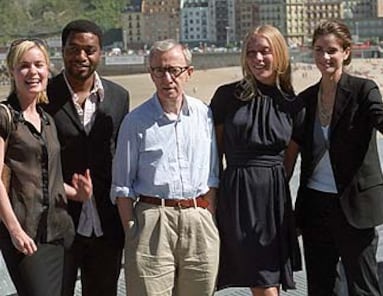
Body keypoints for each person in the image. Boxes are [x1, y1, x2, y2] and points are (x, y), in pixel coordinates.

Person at [291, 20, 383, 295]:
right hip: (315, 208)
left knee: (363, 289)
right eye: (319, 50)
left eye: (332, 50)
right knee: (321, 289)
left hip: (355, 207)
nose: (325, 57)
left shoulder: (363, 90)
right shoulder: (307, 99)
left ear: (346, 52)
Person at [111, 39, 220, 296]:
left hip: (198, 218)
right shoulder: (135, 121)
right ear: (151, 74)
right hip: (152, 219)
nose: (167, 78)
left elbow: (212, 174)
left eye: (174, 70)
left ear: (189, 73)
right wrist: (132, 232)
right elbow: (122, 186)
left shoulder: (203, 114)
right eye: (159, 70)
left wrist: (208, 218)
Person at [209, 24, 302, 296]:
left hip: (273, 199)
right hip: (236, 194)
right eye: (251, 53)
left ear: (280, 54)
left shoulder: (292, 103)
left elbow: (290, 160)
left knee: (266, 279)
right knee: (258, 278)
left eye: (265, 51)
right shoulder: (227, 96)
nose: (258, 59)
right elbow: (215, 154)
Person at [44, 19, 130, 296]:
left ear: (100, 52)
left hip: (106, 223)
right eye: (74, 48)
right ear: (63, 50)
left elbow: (120, 152)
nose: (81, 56)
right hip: (57, 222)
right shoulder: (43, 95)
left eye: (89, 50)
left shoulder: (119, 97)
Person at [0, 39, 92, 296]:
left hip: (61, 232)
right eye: (24, 66)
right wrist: (14, 230)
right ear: (12, 71)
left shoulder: (47, 120)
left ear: (48, 69)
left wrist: (79, 194)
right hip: (26, 236)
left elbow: (47, 181)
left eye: (39, 65)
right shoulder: (5, 116)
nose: (33, 72)